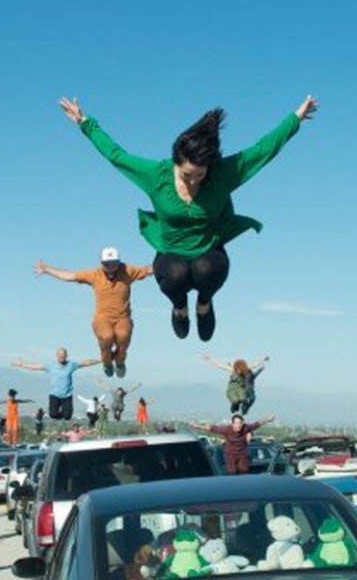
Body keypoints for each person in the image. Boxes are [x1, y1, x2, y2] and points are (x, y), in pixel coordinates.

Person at [59, 94, 319, 341]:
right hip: (170, 251)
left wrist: (295, 118)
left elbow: (263, 150)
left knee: (206, 269)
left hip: (209, 249)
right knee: (176, 273)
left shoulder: (223, 174)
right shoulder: (156, 176)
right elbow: (116, 155)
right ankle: (180, 307)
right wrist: (85, 122)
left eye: (200, 175)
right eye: (187, 175)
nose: (194, 181)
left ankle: (204, 304)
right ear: (176, 163)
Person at [35, 248, 152, 377]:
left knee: (123, 337)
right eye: (107, 264)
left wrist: (170, 261)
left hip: (123, 318)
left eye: (114, 263)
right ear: (101, 264)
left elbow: (149, 270)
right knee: (107, 337)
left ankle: (119, 362)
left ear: (119, 263)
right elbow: (70, 276)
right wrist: (48, 270)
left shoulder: (128, 271)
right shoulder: (94, 274)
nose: (111, 267)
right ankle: (107, 362)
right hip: (102, 318)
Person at [12, 348, 100, 424]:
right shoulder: (51, 365)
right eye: (60, 355)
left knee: (68, 416)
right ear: (56, 356)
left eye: (63, 355)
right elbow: (36, 366)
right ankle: (59, 414)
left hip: (67, 396)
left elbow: (85, 363)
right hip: (54, 395)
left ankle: (64, 413)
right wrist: (22, 364)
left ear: (66, 356)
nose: (61, 357)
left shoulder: (71, 365)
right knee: (53, 414)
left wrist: (100, 360)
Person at [190, 413, 276, 475]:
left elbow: (257, 424)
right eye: (237, 423)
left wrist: (267, 419)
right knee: (232, 473)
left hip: (242, 455)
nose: (239, 426)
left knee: (243, 473)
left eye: (240, 423)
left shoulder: (246, 428)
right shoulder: (227, 430)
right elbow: (212, 428)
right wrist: (197, 426)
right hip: (230, 456)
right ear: (232, 423)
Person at [204, 354, 269, 415]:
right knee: (235, 401)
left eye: (241, 369)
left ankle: (244, 410)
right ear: (236, 367)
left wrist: (263, 359)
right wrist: (210, 359)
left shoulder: (246, 370)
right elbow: (220, 366)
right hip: (232, 389)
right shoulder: (232, 370)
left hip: (241, 389)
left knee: (244, 400)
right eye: (238, 369)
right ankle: (234, 407)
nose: (240, 371)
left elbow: (255, 365)